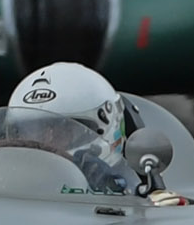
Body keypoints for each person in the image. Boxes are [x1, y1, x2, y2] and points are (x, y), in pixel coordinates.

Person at [10, 61, 133, 193]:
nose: (47, 140)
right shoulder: (4, 182)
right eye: (35, 130)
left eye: (62, 130)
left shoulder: (129, 191)